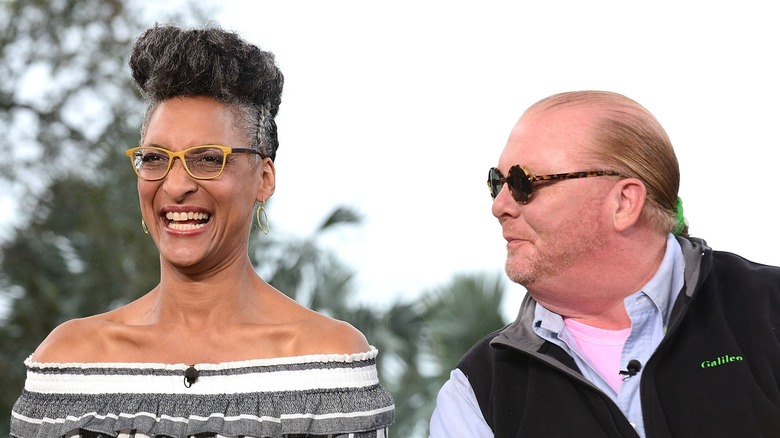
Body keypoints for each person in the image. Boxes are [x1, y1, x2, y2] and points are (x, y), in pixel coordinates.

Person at [11, 24, 394, 438]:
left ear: (264, 178)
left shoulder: (328, 368)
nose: (176, 186)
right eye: (156, 158)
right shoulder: (67, 367)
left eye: (209, 159)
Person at [429, 90, 780, 437]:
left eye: (524, 183)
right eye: (497, 183)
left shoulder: (769, 310)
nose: (500, 206)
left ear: (625, 202)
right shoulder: (476, 393)